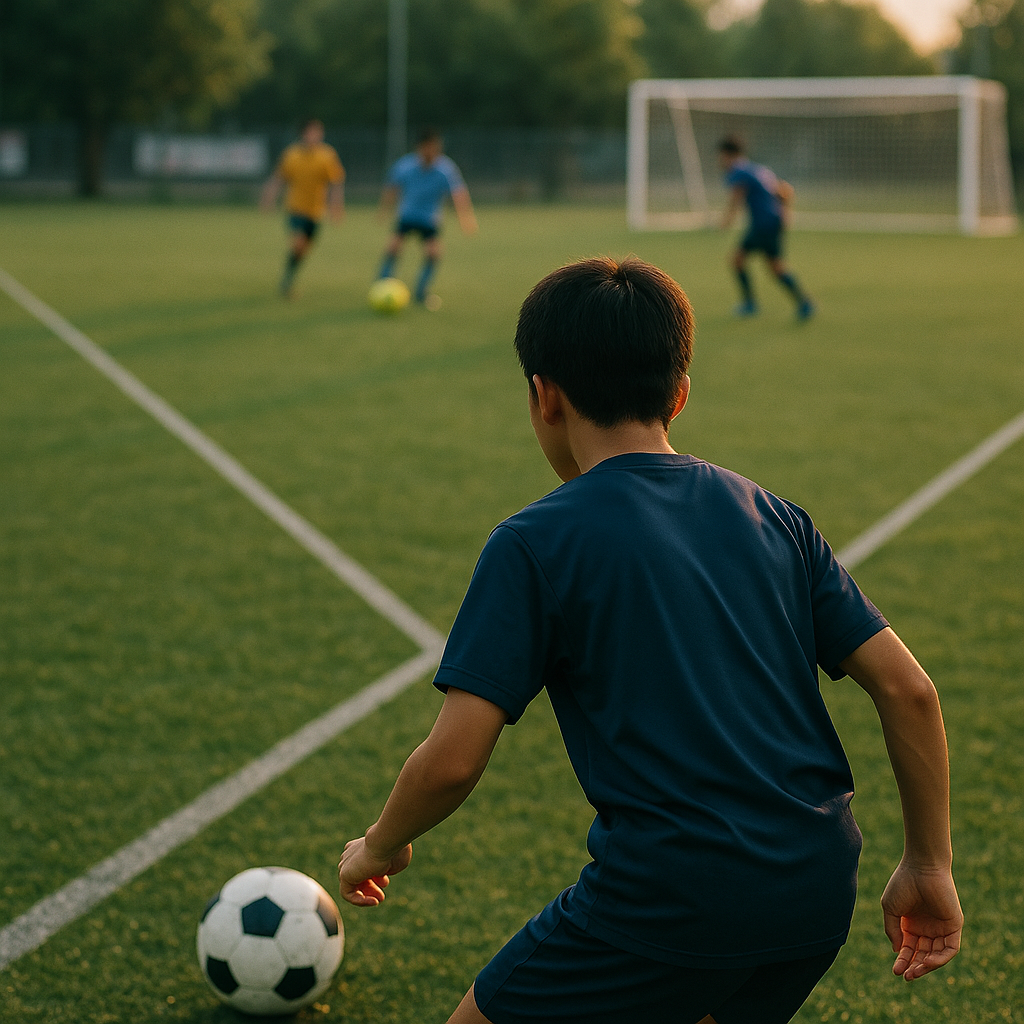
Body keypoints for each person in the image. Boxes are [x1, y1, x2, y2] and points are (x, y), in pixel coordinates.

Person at [338, 257, 962, 1024]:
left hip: (671, 898)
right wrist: (930, 862)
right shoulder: (774, 516)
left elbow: (454, 760)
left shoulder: (535, 542)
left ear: (544, 396)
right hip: (816, 884)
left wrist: (379, 845)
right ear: (680, 393)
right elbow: (910, 689)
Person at [376, 128, 477, 309]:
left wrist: (466, 219)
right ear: (420, 147)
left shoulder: (446, 169)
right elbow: (391, 188)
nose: (431, 152)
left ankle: (421, 293)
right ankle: (381, 285)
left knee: (433, 254)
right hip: (407, 215)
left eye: (435, 148)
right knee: (393, 247)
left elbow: (458, 194)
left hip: (429, 219)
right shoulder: (405, 166)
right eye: (427, 148)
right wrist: (384, 210)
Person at [718, 135, 814, 321]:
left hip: (762, 224)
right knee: (775, 267)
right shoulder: (758, 169)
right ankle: (804, 303)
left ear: (726, 154)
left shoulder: (738, 172)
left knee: (738, 259)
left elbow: (736, 199)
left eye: (720, 156)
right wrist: (786, 211)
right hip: (773, 222)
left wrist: (725, 223)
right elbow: (784, 190)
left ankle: (750, 305)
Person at [260, 118, 345, 297]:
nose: (314, 136)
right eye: (310, 132)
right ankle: (287, 282)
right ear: (303, 134)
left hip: (315, 213)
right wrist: (269, 198)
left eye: (317, 132)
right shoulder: (291, 155)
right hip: (295, 209)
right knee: (298, 245)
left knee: (303, 250)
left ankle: (289, 276)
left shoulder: (327, 155)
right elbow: (278, 178)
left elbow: (335, 183)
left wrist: (335, 208)